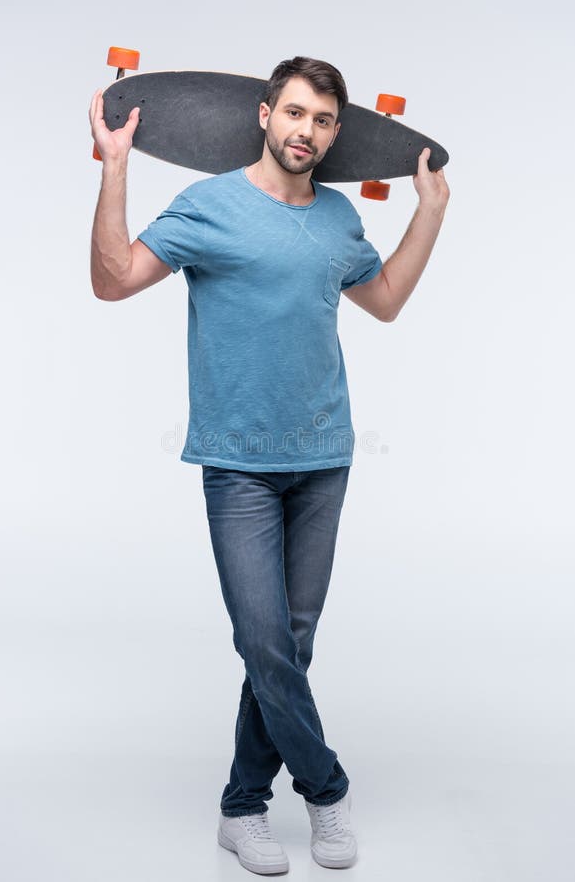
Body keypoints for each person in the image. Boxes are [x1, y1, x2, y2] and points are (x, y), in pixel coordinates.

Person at [89, 55, 450, 874]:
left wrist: (428, 211)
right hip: (238, 465)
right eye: (293, 112)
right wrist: (115, 170)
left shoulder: (338, 217)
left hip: (323, 458)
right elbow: (113, 281)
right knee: (263, 641)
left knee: (290, 643)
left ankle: (241, 807)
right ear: (263, 114)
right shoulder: (208, 206)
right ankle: (326, 788)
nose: (305, 131)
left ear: (334, 131)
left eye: (321, 120)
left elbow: (385, 301)